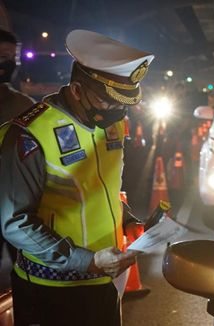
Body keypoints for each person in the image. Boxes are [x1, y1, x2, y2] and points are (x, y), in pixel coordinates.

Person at [0, 29, 154, 326]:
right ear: (77, 90)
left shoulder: (112, 125)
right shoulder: (29, 134)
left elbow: (101, 191)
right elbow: (14, 222)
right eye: (108, 101)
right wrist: (86, 261)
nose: (117, 110)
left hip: (102, 283)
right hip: (49, 291)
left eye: (123, 103)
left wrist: (128, 220)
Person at [0, 29, 35, 274]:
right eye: (1, 54)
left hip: (16, 208)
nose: (7, 61)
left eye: (12, 56)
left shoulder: (23, 106)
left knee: (27, 272)